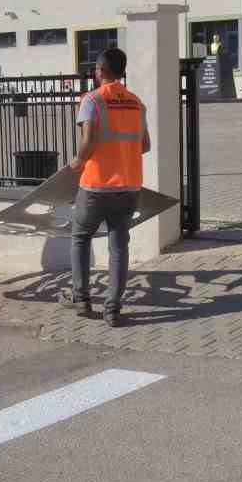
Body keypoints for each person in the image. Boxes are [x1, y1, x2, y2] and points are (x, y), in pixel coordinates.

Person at [65, 47, 149, 327]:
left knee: (80, 237)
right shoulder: (137, 103)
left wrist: (77, 161)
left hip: (96, 186)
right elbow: (145, 145)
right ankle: (112, 309)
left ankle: (82, 299)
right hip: (128, 187)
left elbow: (88, 140)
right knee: (119, 247)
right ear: (122, 72)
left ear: (100, 71)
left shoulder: (92, 100)